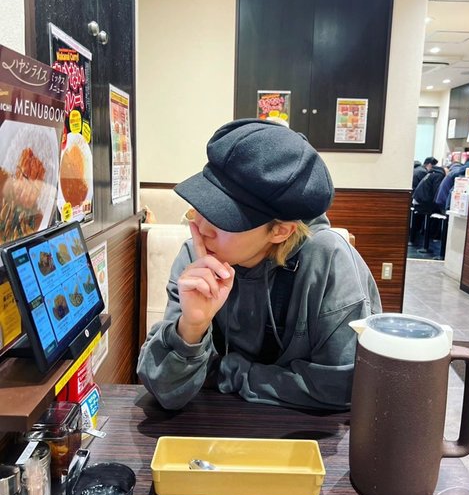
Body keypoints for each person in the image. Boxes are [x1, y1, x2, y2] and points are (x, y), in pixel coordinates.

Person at [137, 119, 382, 412]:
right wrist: (192, 327)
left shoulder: (329, 262)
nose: (200, 227)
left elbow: (342, 387)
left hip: (300, 432)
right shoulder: (197, 259)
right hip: (211, 427)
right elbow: (164, 390)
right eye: (202, 206)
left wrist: (229, 372)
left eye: (223, 217)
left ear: (280, 231)